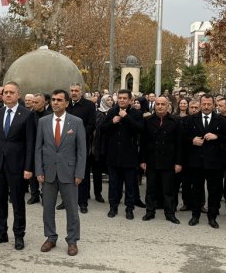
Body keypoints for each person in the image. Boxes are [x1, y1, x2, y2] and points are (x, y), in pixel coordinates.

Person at [0, 81, 35, 250]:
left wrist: (29, 168)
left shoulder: (27, 114)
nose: (7, 95)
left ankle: (19, 235)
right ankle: (1, 233)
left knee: (17, 201)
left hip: (18, 165)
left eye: (11, 92)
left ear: (18, 95)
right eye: (5, 92)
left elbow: (30, 144)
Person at [35, 89, 86, 256]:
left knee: (72, 209)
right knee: (47, 208)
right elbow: (38, 149)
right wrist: (39, 170)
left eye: (59, 100)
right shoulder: (43, 122)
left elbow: (81, 150)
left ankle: (72, 241)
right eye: (53, 100)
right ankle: (51, 237)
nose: (55, 102)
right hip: (48, 172)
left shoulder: (76, 122)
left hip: (69, 173)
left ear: (66, 103)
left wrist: (79, 173)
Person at [183, 95, 226, 229]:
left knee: (214, 191)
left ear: (213, 104)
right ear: (200, 104)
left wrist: (217, 137)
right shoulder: (191, 119)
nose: (206, 106)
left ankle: (212, 216)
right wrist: (192, 140)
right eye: (204, 103)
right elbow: (183, 137)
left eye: (209, 104)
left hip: (214, 162)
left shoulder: (220, 120)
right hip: (196, 162)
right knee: (197, 190)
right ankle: (195, 215)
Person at [101, 90, 144, 220]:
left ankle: (129, 208)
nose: (122, 100)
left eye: (125, 98)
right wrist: (112, 122)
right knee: (114, 184)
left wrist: (126, 117)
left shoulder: (137, 113)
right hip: (113, 155)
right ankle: (113, 207)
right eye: (120, 98)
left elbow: (140, 129)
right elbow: (102, 129)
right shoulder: (112, 111)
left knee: (130, 184)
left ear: (130, 100)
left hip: (129, 155)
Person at [140, 97, 183, 224]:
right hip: (152, 160)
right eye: (157, 104)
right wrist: (142, 160)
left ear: (167, 106)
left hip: (168, 161)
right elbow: (143, 142)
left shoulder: (175, 121)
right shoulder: (148, 120)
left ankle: (170, 213)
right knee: (151, 189)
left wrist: (178, 162)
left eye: (162, 104)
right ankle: (150, 211)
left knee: (168, 190)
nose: (159, 106)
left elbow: (179, 144)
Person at [66, 83, 98, 213]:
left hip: (81, 145)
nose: (74, 93)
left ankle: (82, 203)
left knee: (82, 174)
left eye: (76, 91)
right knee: (67, 174)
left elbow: (91, 125)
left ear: (81, 92)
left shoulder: (89, 105)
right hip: (65, 145)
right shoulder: (66, 104)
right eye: (72, 90)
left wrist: (77, 134)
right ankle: (67, 201)